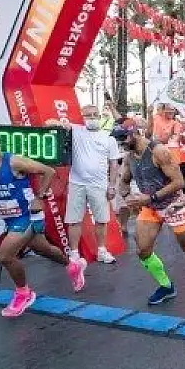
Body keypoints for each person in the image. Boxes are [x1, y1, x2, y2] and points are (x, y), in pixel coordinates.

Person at [0, 127, 79, 317]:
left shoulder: (14, 162)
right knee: (43, 249)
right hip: (9, 217)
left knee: (4, 256)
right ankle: (72, 265)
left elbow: (48, 171)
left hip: (28, 214)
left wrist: (39, 197)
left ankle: (24, 293)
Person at [113, 123, 185, 306]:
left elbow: (179, 182)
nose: (121, 142)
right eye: (118, 139)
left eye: (124, 137)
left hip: (173, 205)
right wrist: (127, 196)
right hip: (150, 208)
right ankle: (166, 286)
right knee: (143, 250)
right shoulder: (129, 157)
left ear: (136, 133)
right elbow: (123, 181)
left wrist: (151, 197)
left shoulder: (158, 151)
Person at [47, 105, 120, 266]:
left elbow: (114, 164)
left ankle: (101, 250)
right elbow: (49, 123)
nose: (92, 118)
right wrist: (58, 123)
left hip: (99, 184)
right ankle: (74, 253)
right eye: (88, 115)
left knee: (101, 220)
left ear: (100, 116)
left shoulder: (108, 137)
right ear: (82, 117)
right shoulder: (76, 130)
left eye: (95, 115)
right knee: (74, 220)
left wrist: (112, 186)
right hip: (77, 183)